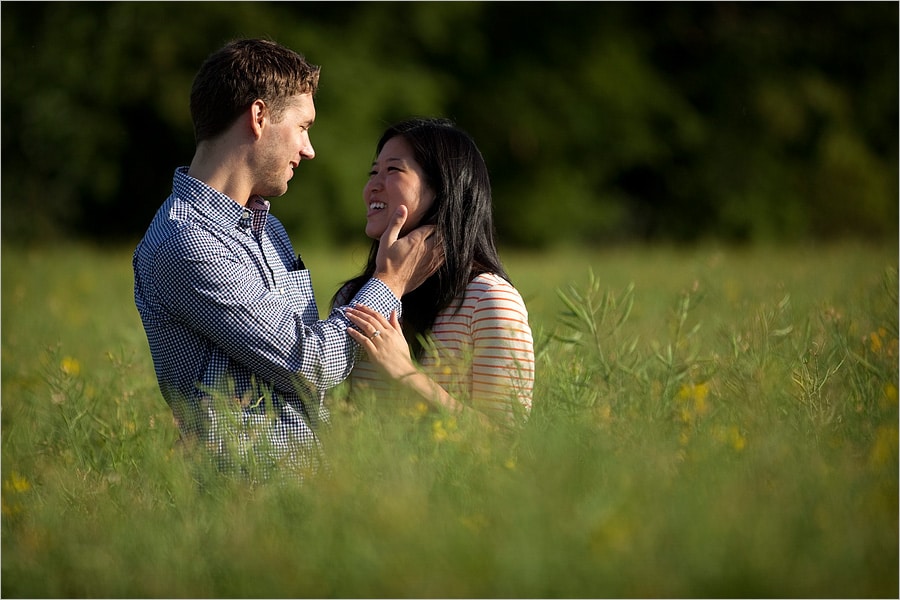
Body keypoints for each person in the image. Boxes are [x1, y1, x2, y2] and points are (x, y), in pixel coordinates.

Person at [132, 39, 439, 475]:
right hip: (245, 502)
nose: (309, 149)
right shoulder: (185, 242)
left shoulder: (267, 228)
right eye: (303, 126)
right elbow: (310, 363)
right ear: (259, 118)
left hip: (306, 492)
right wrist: (389, 283)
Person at [335, 118, 534, 426]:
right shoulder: (355, 298)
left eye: (393, 170)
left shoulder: (489, 300)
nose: (373, 185)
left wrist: (406, 375)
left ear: (444, 188)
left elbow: (506, 445)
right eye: (373, 172)